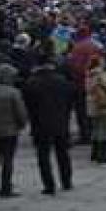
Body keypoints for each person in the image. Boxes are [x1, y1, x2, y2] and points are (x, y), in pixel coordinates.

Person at [22, 50, 77, 194]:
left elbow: (28, 106)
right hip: (61, 121)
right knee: (63, 153)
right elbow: (71, 99)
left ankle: (49, 185)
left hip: (40, 124)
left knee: (43, 155)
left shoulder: (32, 82)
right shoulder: (62, 80)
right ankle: (67, 181)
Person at [0, 64, 27, 198]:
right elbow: (21, 113)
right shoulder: (13, 93)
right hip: (9, 131)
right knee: (7, 160)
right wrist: (22, 125)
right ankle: (6, 187)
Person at [85, 55, 106, 164]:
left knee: (96, 129)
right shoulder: (101, 74)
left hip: (92, 105)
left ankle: (94, 154)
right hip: (104, 105)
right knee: (105, 130)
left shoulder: (88, 74)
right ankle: (103, 155)